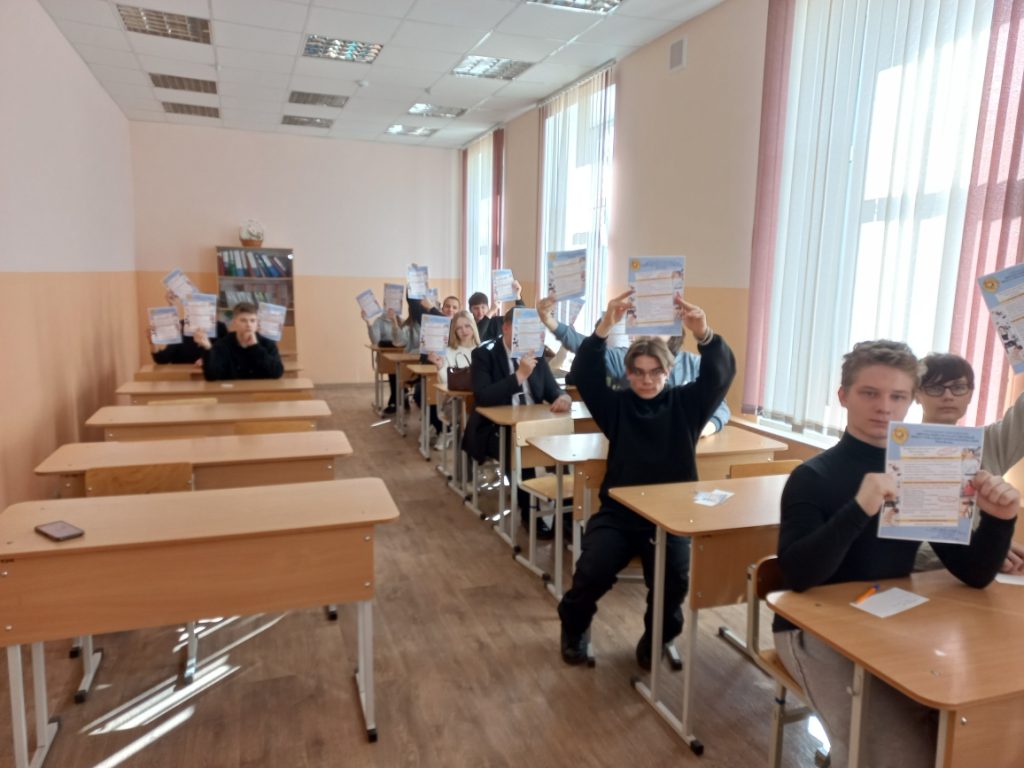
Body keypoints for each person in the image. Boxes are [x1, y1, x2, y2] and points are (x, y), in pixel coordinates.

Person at [773, 340, 1018, 768]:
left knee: (973, 735)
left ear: (910, 400)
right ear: (844, 396)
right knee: (897, 756)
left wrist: (999, 520)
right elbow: (797, 576)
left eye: (898, 396)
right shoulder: (812, 476)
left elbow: (973, 573)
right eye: (870, 393)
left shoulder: (923, 465)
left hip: (895, 623)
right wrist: (860, 507)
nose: (884, 407)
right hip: (812, 631)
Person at [557, 290, 736, 668]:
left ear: (668, 373)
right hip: (620, 514)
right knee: (591, 570)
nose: (646, 379)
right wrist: (605, 326)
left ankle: (658, 638)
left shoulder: (686, 406)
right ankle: (574, 628)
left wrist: (704, 333)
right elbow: (586, 374)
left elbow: (719, 376)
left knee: (673, 582)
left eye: (655, 372)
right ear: (628, 374)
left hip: (671, 516)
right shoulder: (616, 406)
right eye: (637, 371)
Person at [537, 296, 731, 435]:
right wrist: (550, 321)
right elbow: (585, 351)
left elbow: (720, 406)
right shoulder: (624, 358)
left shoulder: (694, 364)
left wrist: (704, 429)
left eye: (660, 323)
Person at [463, 308, 572, 540]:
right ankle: (530, 513)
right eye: (521, 329)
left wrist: (563, 397)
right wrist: (519, 376)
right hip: (496, 428)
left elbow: (551, 389)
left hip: (534, 423)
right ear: (506, 328)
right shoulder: (484, 354)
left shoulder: (536, 354)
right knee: (520, 452)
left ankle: (567, 517)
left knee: (568, 453)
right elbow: (483, 396)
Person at [916, 352, 1024, 573]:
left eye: (958, 387)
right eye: (935, 388)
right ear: (916, 394)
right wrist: (987, 549)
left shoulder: (988, 442)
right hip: (918, 577)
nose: (948, 396)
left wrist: (991, 549)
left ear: (970, 394)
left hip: (978, 578)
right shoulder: (896, 449)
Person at [427, 310, 480, 448]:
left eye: (467, 326)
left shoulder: (483, 350)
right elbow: (447, 383)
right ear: (454, 332)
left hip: (478, 400)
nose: (464, 331)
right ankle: (466, 449)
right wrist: (440, 366)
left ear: (473, 326)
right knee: (469, 414)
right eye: (459, 328)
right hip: (455, 402)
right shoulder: (448, 352)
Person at [195, 301, 284, 381]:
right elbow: (211, 376)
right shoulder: (223, 344)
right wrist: (208, 349)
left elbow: (277, 373)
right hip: (232, 391)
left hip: (260, 391)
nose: (249, 325)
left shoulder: (267, 344)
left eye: (252, 321)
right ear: (234, 322)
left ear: (257, 323)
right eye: (243, 320)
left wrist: (255, 347)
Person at [149, 289, 227, 365]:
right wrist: (153, 343)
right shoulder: (181, 326)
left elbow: (226, 358)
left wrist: (209, 359)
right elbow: (162, 359)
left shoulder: (220, 328)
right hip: (182, 373)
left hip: (209, 373)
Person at [363, 306, 400, 414]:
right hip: (386, 360)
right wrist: (368, 323)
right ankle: (395, 401)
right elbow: (375, 341)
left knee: (401, 371)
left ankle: (401, 398)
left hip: (401, 359)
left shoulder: (401, 320)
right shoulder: (379, 321)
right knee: (394, 371)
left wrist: (395, 322)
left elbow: (403, 340)